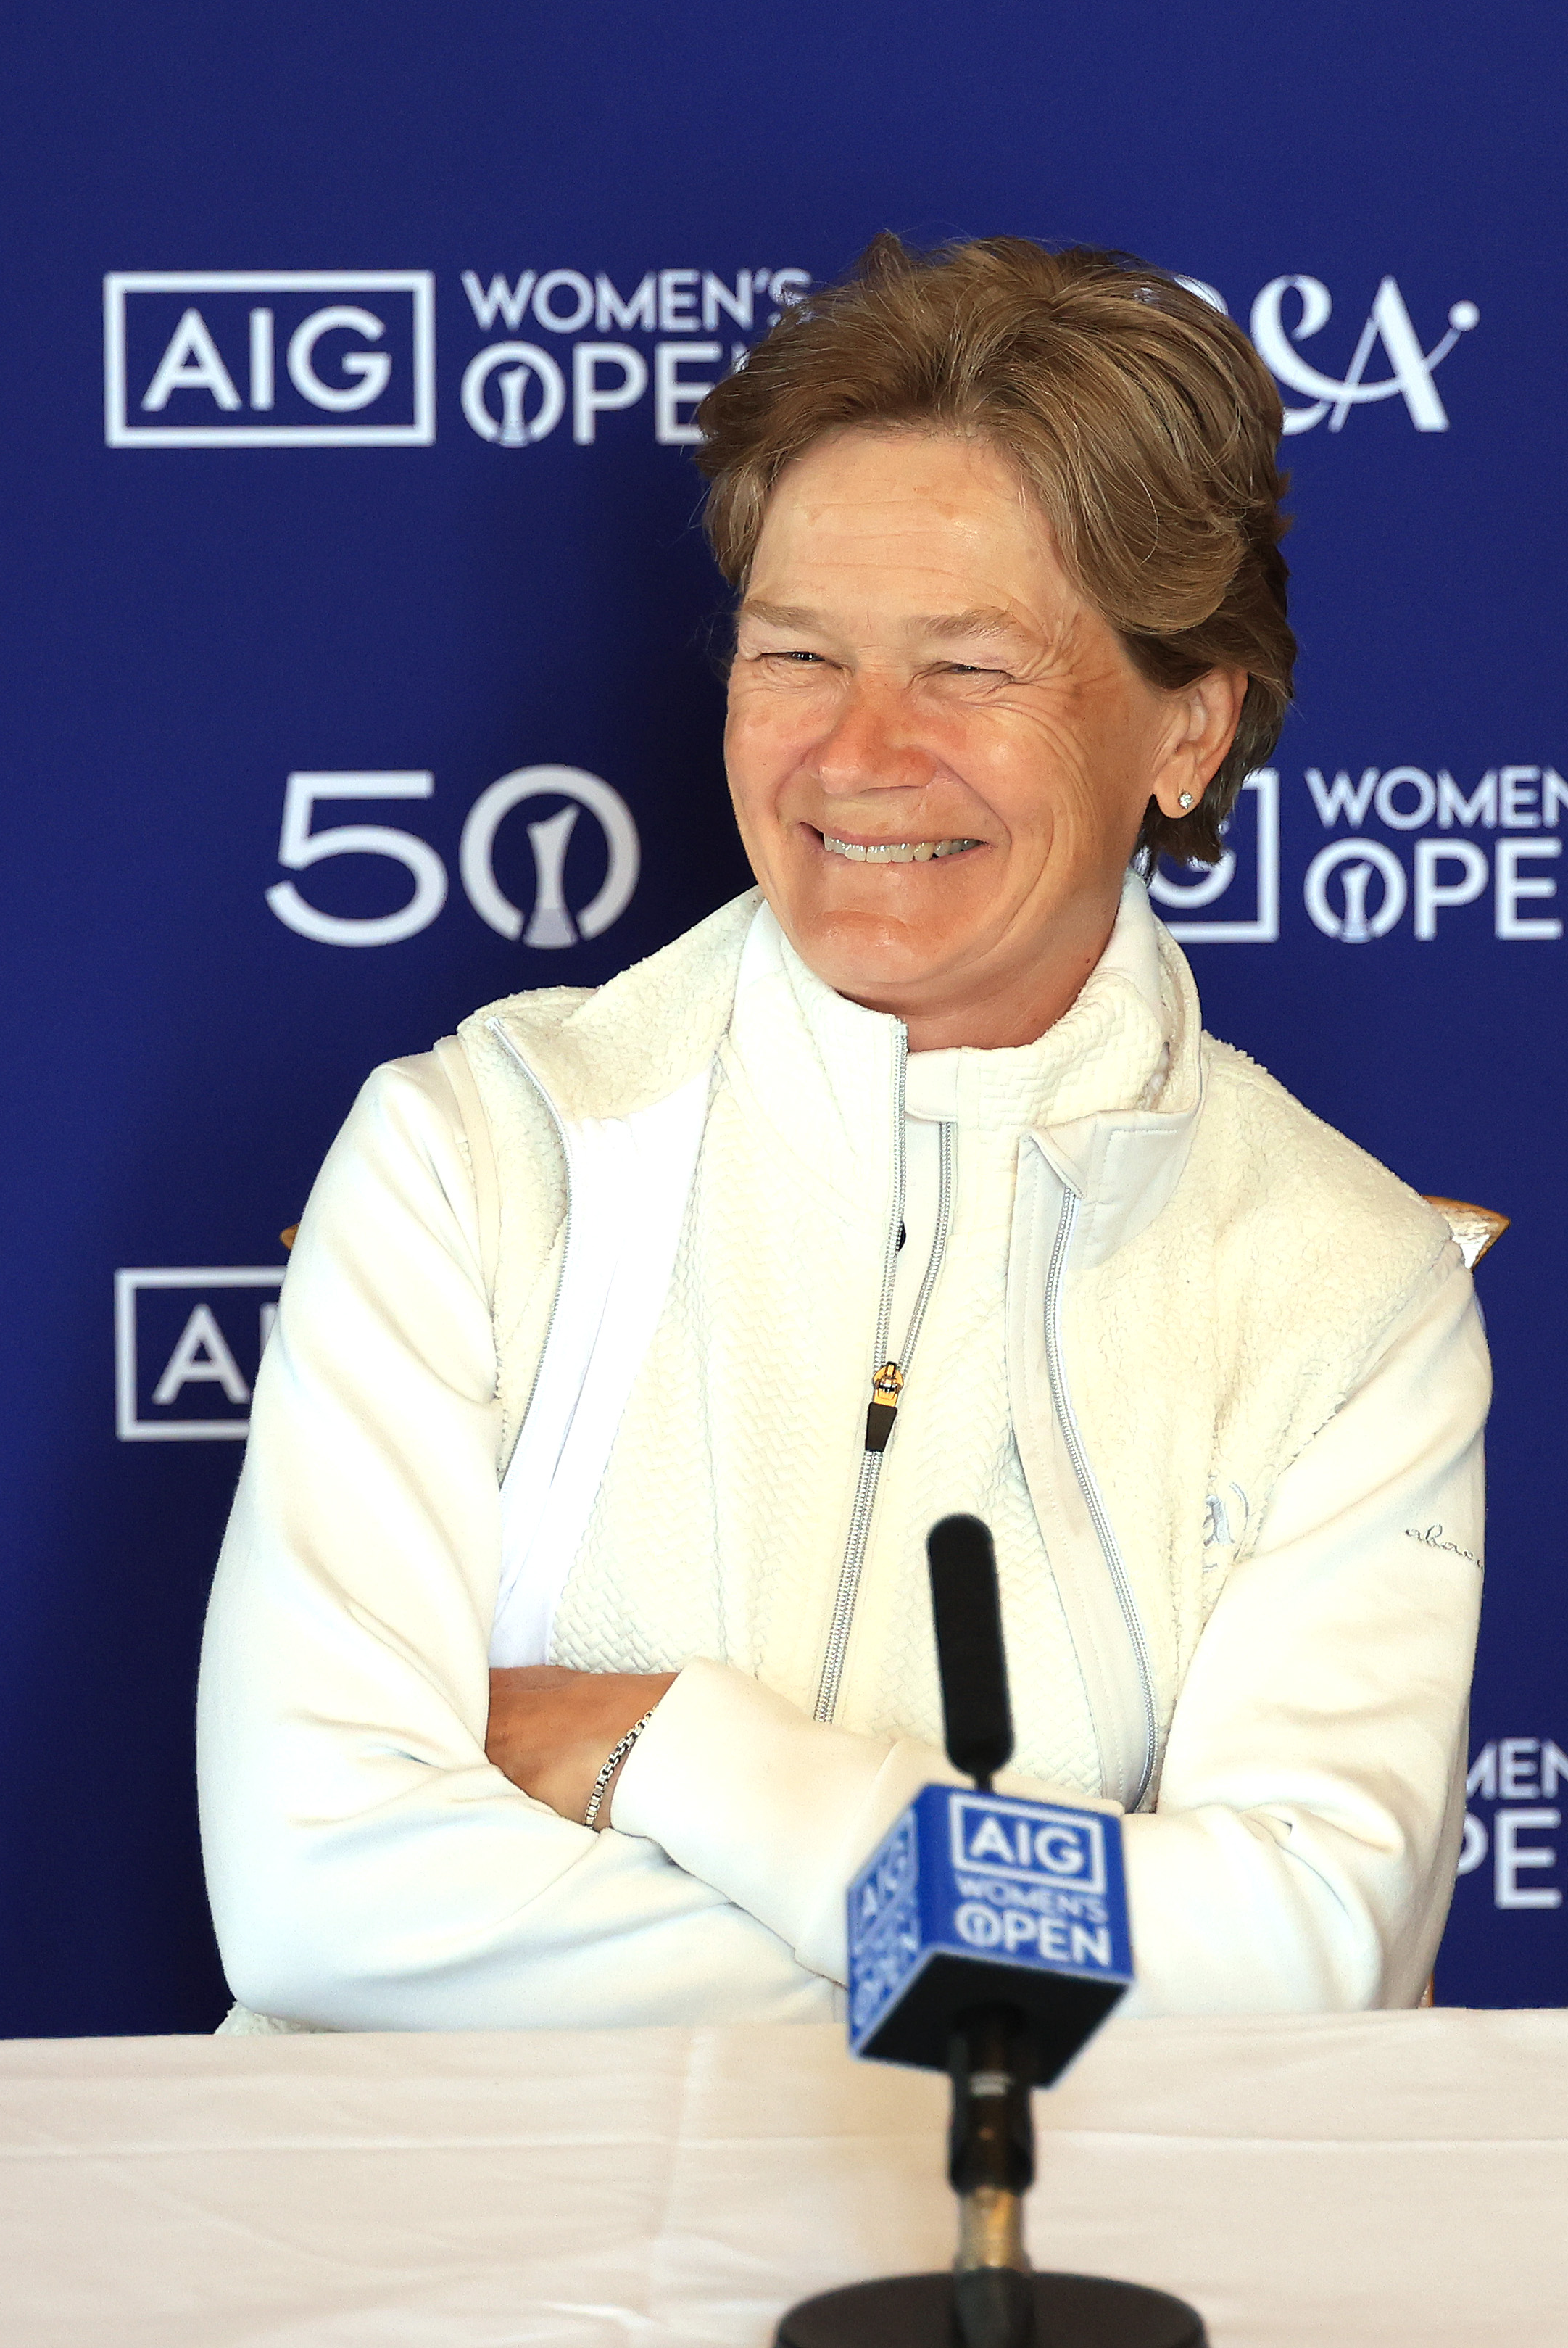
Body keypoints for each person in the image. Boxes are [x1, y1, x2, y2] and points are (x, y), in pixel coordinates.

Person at [199, 236, 1488, 2028]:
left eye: (968, 668)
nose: (858, 754)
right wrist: (1033, 1961)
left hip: (1066, 2277)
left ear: (1188, 725)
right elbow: (320, 1902)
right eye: (796, 651)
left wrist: (678, 1751)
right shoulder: (476, 1151)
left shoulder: (1350, 1289)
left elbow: (1300, 1958)